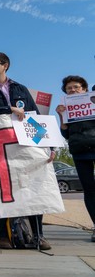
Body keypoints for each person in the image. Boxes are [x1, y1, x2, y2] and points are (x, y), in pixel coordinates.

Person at [0, 52, 54, 250]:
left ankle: (38, 235)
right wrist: (8, 109)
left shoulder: (20, 88)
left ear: (5, 65)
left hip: (24, 146)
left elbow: (35, 116)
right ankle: (3, 235)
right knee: (1, 189)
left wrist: (48, 146)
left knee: (32, 189)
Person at [56, 75, 95, 242]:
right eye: (69, 88)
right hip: (79, 152)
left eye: (76, 87)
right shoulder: (66, 108)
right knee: (89, 190)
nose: (72, 90)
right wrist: (61, 116)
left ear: (84, 89)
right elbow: (65, 133)